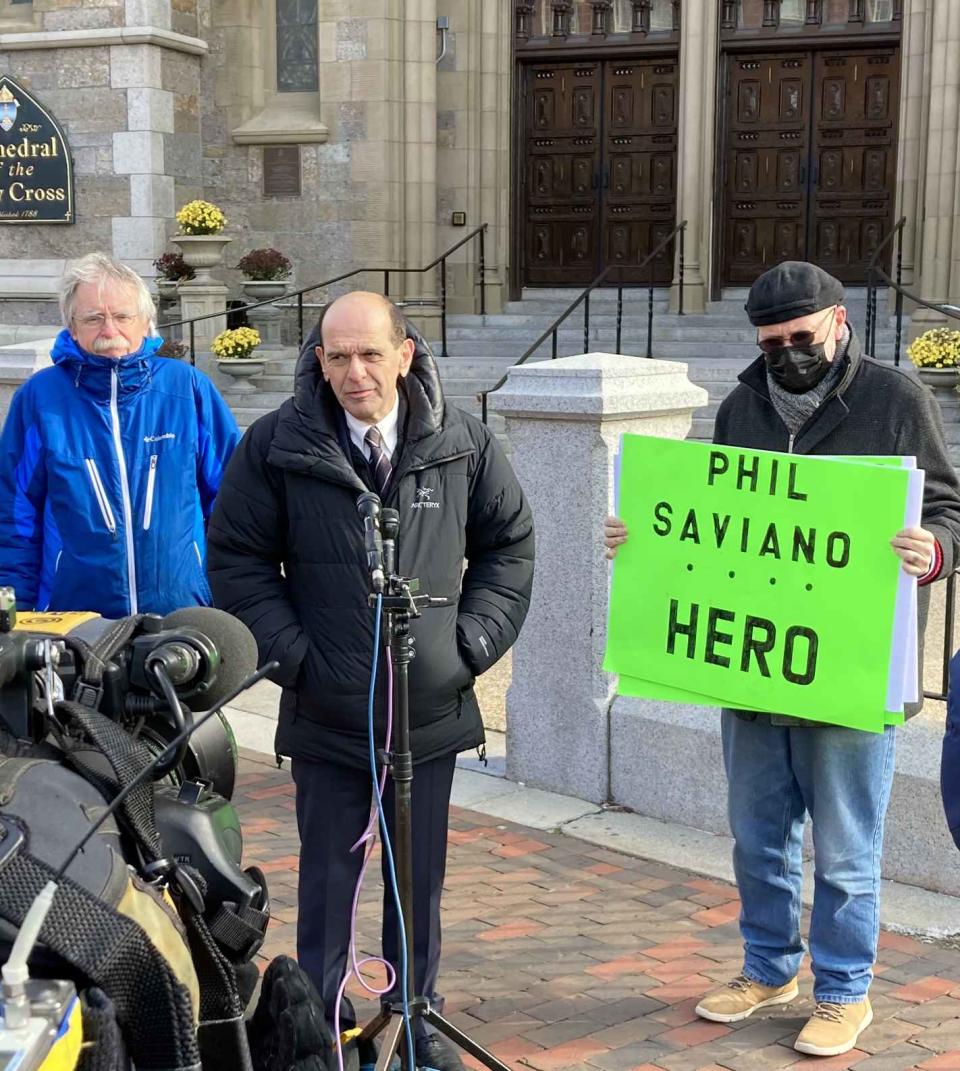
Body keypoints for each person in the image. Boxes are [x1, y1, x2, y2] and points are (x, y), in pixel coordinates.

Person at [603, 261, 960, 1058]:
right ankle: (769, 967)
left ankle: (842, 991)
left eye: (802, 336)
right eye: (772, 342)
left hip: (852, 674)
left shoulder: (898, 401)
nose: (789, 353)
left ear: (837, 321)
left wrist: (933, 549)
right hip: (756, 675)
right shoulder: (741, 406)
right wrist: (643, 539)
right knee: (757, 836)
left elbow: (946, 506)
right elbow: (714, 513)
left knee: (845, 848)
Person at [206, 291, 534, 1071]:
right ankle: (321, 1022)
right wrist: (298, 660)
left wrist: (471, 643)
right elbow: (238, 561)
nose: (355, 372)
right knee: (327, 879)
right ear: (319, 360)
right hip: (328, 711)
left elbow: (509, 547)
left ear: (404, 353)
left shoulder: (464, 443)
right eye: (338, 356)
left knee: (416, 879)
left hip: (429, 711)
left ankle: (414, 1011)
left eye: (370, 354)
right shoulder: (275, 446)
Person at [0, 252, 240, 617]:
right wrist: (18, 613)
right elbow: (16, 515)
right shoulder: (40, 398)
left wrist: (227, 600)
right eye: (94, 318)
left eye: (122, 316)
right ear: (72, 326)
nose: (110, 330)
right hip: (75, 620)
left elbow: (234, 502)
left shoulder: (187, 388)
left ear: (146, 323)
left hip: (182, 615)